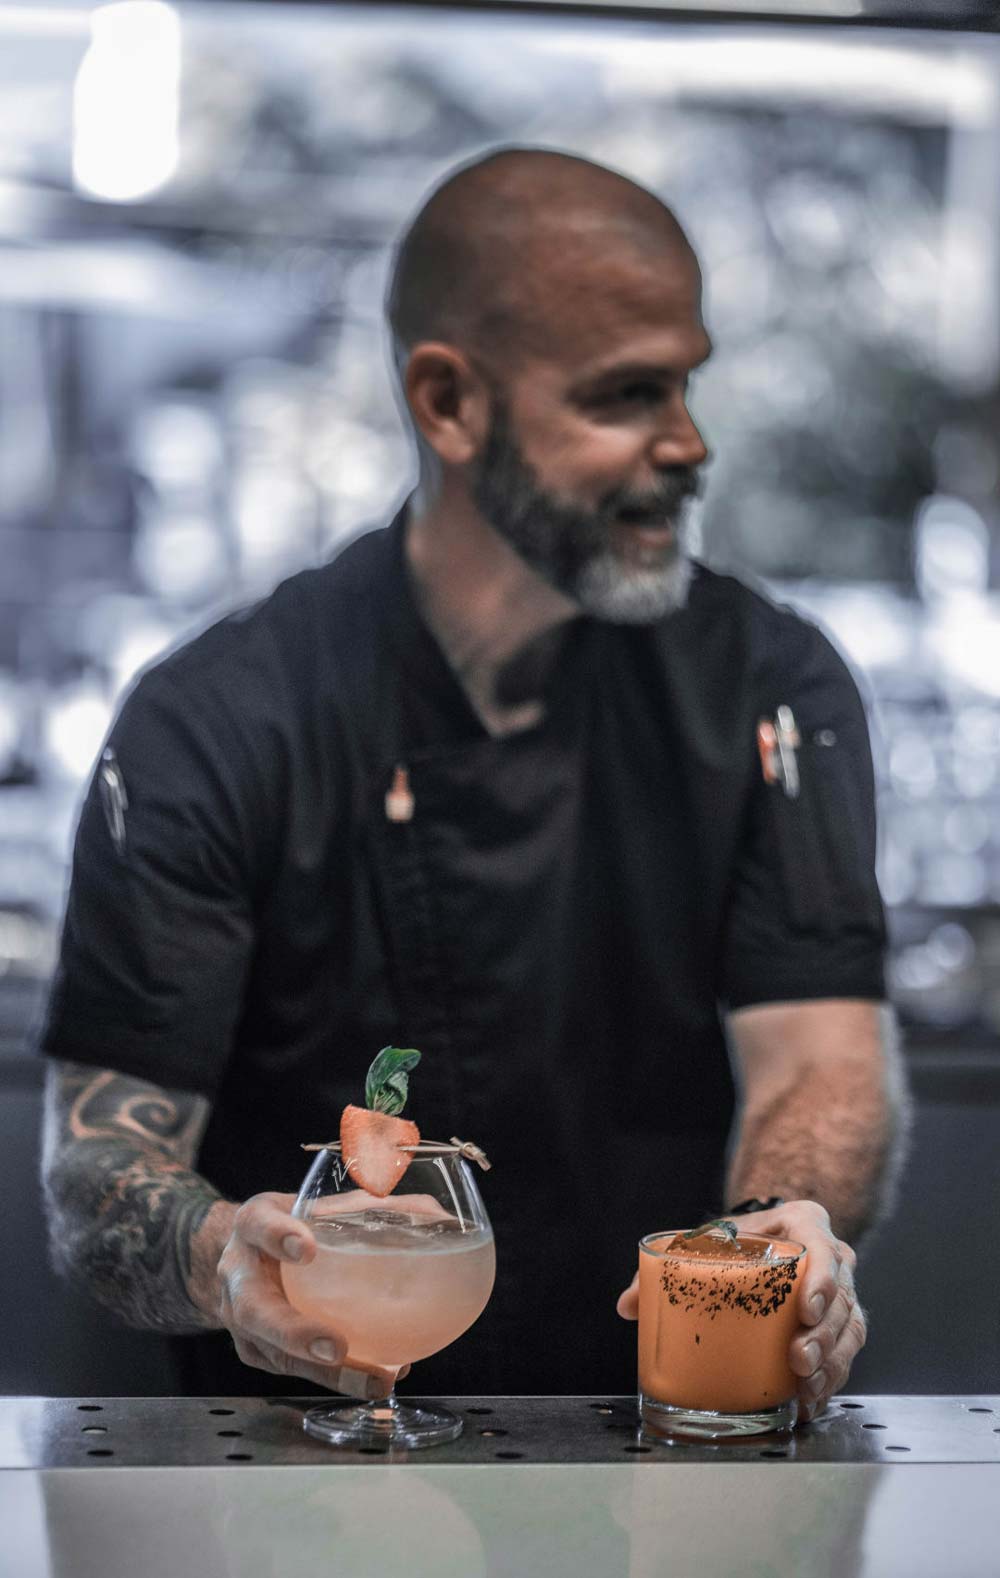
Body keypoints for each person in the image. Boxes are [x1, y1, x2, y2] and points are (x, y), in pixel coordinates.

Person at [39, 148, 907, 1411]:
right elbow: (95, 1168)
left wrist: (786, 1220)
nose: (688, 442)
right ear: (448, 404)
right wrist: (215, 1255)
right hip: (301, 1470)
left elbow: (818, 1056)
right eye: (624, 397)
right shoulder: (217, 721)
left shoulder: (774, 686)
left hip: (666, 1444)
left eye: (687, 384)